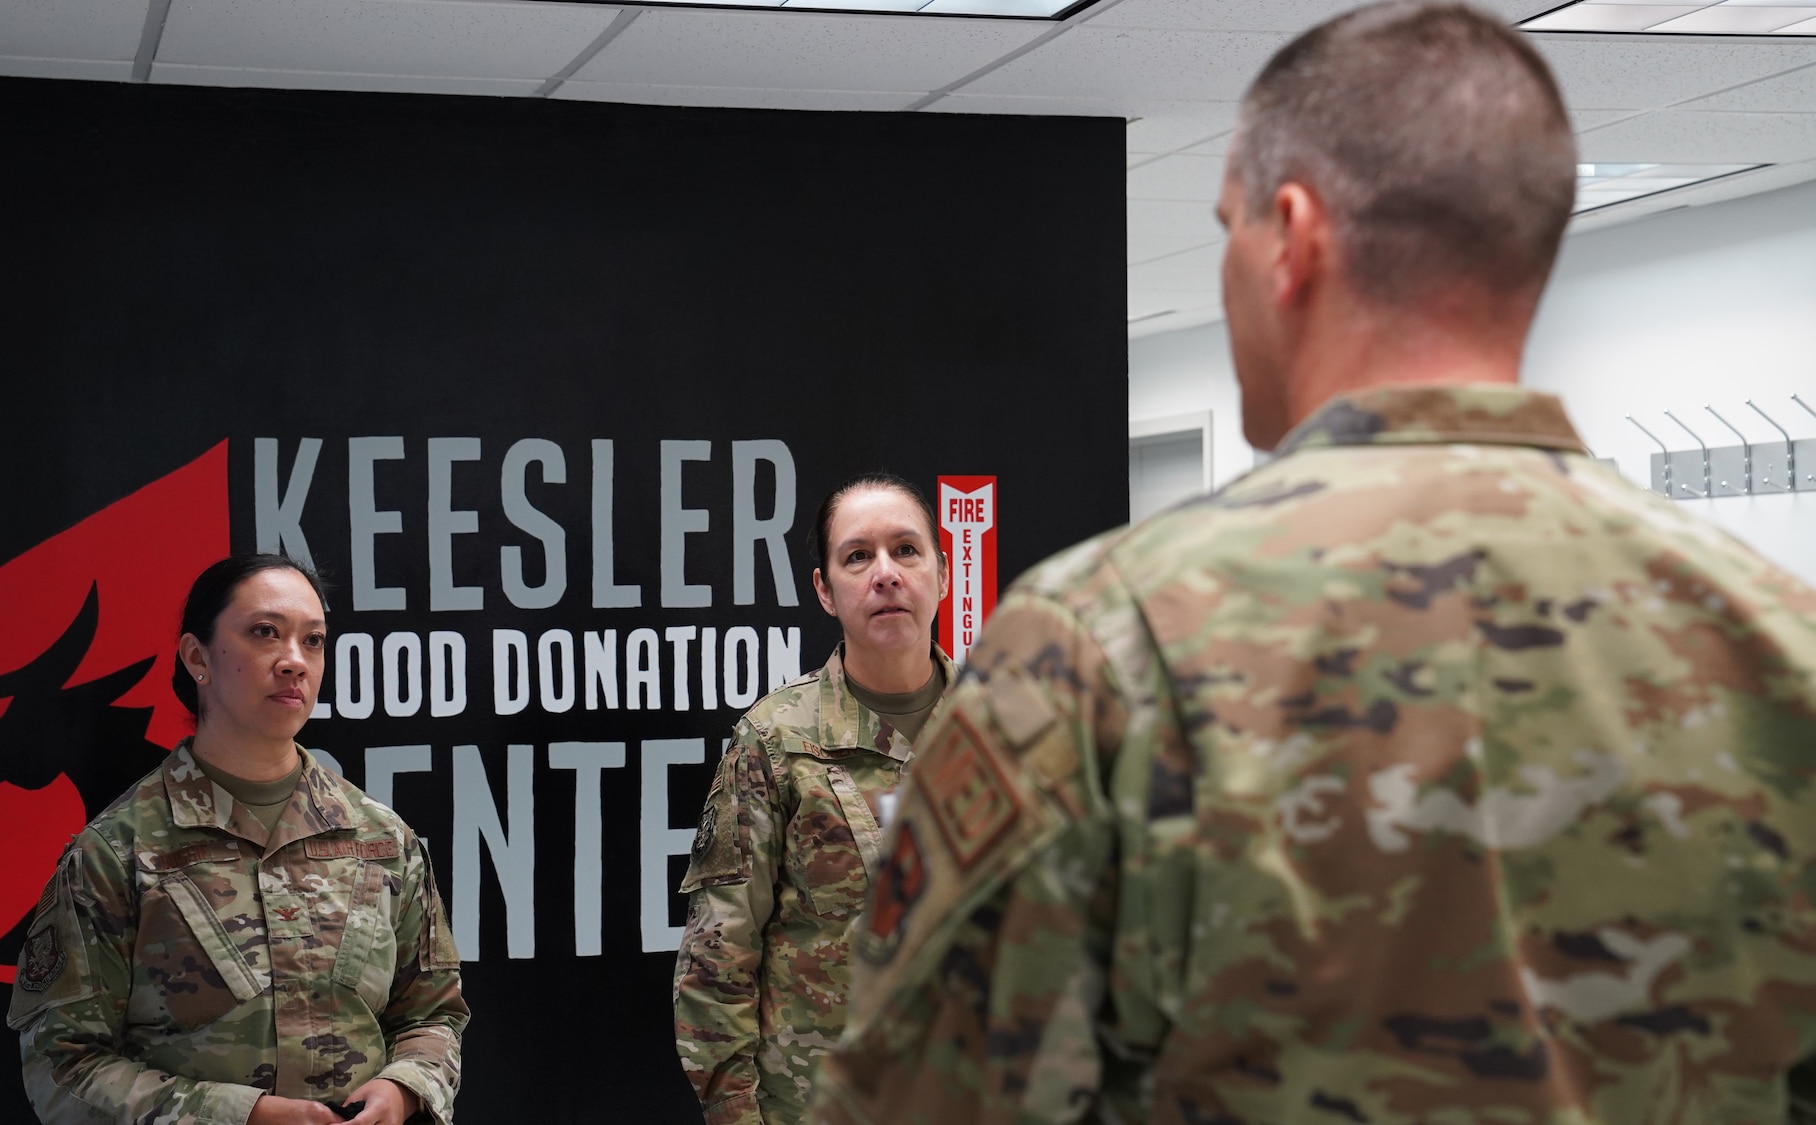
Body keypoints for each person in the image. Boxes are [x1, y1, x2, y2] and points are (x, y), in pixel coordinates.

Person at [812, 5, 1816, 1124]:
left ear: (1288, 238)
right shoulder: (1778, 641)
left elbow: (926, 1102)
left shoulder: (1102, 641)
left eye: (1227, 227)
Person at [8, 554, 468, 1125]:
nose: (295, 661)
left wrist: (405, 1089)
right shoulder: (117, 851)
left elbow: (433, 1017)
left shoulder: (379, 838)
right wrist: (238, 1116)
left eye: (315, 640)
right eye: (265, 633)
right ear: (198, 657)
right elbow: (64, 1065)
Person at [675, 474, 959, 1124]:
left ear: (942, 574)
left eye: (906, 550)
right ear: (825, 590)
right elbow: (717, 960)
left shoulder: (1006, 729)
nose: (885, 573)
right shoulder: (776, 742)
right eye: (858, 555)